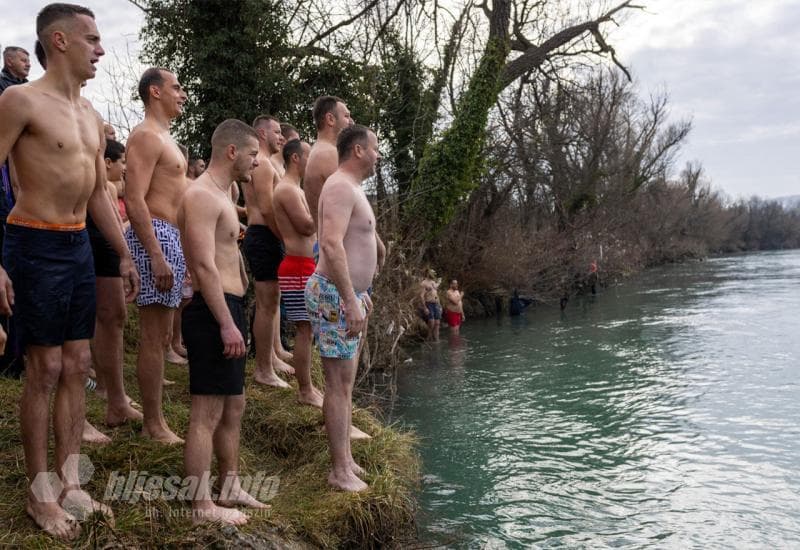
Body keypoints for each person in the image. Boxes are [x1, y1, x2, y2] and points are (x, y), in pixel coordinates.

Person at [0, 3, 139, 539]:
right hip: (32, 242)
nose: (101, 49)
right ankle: (40, 494)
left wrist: (123, 251)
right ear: (59, 42)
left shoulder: (89, 114)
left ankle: (71, 481)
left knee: (79, 362)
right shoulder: (20, 100)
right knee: (46, 369)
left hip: (78, 244)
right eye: (92, 39)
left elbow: (101, 191)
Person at [180, 119, 268, 525]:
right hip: (212, 311)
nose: (256, 161)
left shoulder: (223, 193)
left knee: (234, 404)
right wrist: (227, 325)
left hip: (230, 306)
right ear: (232, 152)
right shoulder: (199, 196)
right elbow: (202, 265)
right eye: (252, 154)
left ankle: (229, 484)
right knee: (206, 411)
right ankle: (200, 506)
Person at [305, 124, 380, 492]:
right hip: (335, 294)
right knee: (336, 384)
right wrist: (350, 298)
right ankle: (338, 472)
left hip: (349, 294)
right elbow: (331, 245)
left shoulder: (351, 188)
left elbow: (356, 239)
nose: (379, 155)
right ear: (358, 151)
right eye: (375, 148)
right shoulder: (337, 185)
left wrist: (362, 291)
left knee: (345, 384)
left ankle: (347, 460)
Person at [124, 66, 189, 444]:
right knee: (153, 335)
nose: (182, 94)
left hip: (172, 236)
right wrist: (155, 254)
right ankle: (153, 424)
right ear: (155, 92)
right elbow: (134, 198)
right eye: (175, 87)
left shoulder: (164, 135)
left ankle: (156, 418)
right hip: (157, 237)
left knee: (163, 334)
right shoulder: (146, 136)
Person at [89, 139, 142, 427]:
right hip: (79, 232)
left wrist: (124, 251)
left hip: (105, 236)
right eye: (121, 162)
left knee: (115, 316)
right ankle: (102, 389)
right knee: (96, 319)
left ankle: (115, 396)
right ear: (108, 162)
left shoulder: (89, 120)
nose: (124, 169)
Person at [242, 115, 293, 387]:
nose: (281, 136)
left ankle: (273, 355)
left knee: (273, 301)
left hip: (268, 235)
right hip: (263, 234)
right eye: (276, 132)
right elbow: (266, 207)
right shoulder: (261, 164)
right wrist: (284, 238)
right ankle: (263, 368)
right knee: (266, 303)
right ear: (261, 133)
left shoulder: (268, 162)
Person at [273, 139, 324, 408]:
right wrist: (326, 205)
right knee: (305, 330)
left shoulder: (295, 189)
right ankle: (305, 390)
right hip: (296, 266)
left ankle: (309, 386)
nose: (311, 161)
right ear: (295, 158)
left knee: (310, 329)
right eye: (308, 156)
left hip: (305, 265)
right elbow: (306, 227)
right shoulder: (287, 190)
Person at [304, 96, 353, 232]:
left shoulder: (322, 150)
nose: (351, 122)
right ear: (330, 119)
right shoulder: (328, 154)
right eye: (347, 116)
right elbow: (351, 205)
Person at [420, 269, 442, 341]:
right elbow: (421, 296)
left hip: (436, 304)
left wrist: (439, 305)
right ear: (428, 274)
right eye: (433, 273)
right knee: (431, 322)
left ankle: (437, 339)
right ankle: (429, 337)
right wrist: (425, 307)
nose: (434, 275)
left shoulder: (433, 282)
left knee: (437, 323)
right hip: (429, 304)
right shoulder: (424, 283)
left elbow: (436, 294)